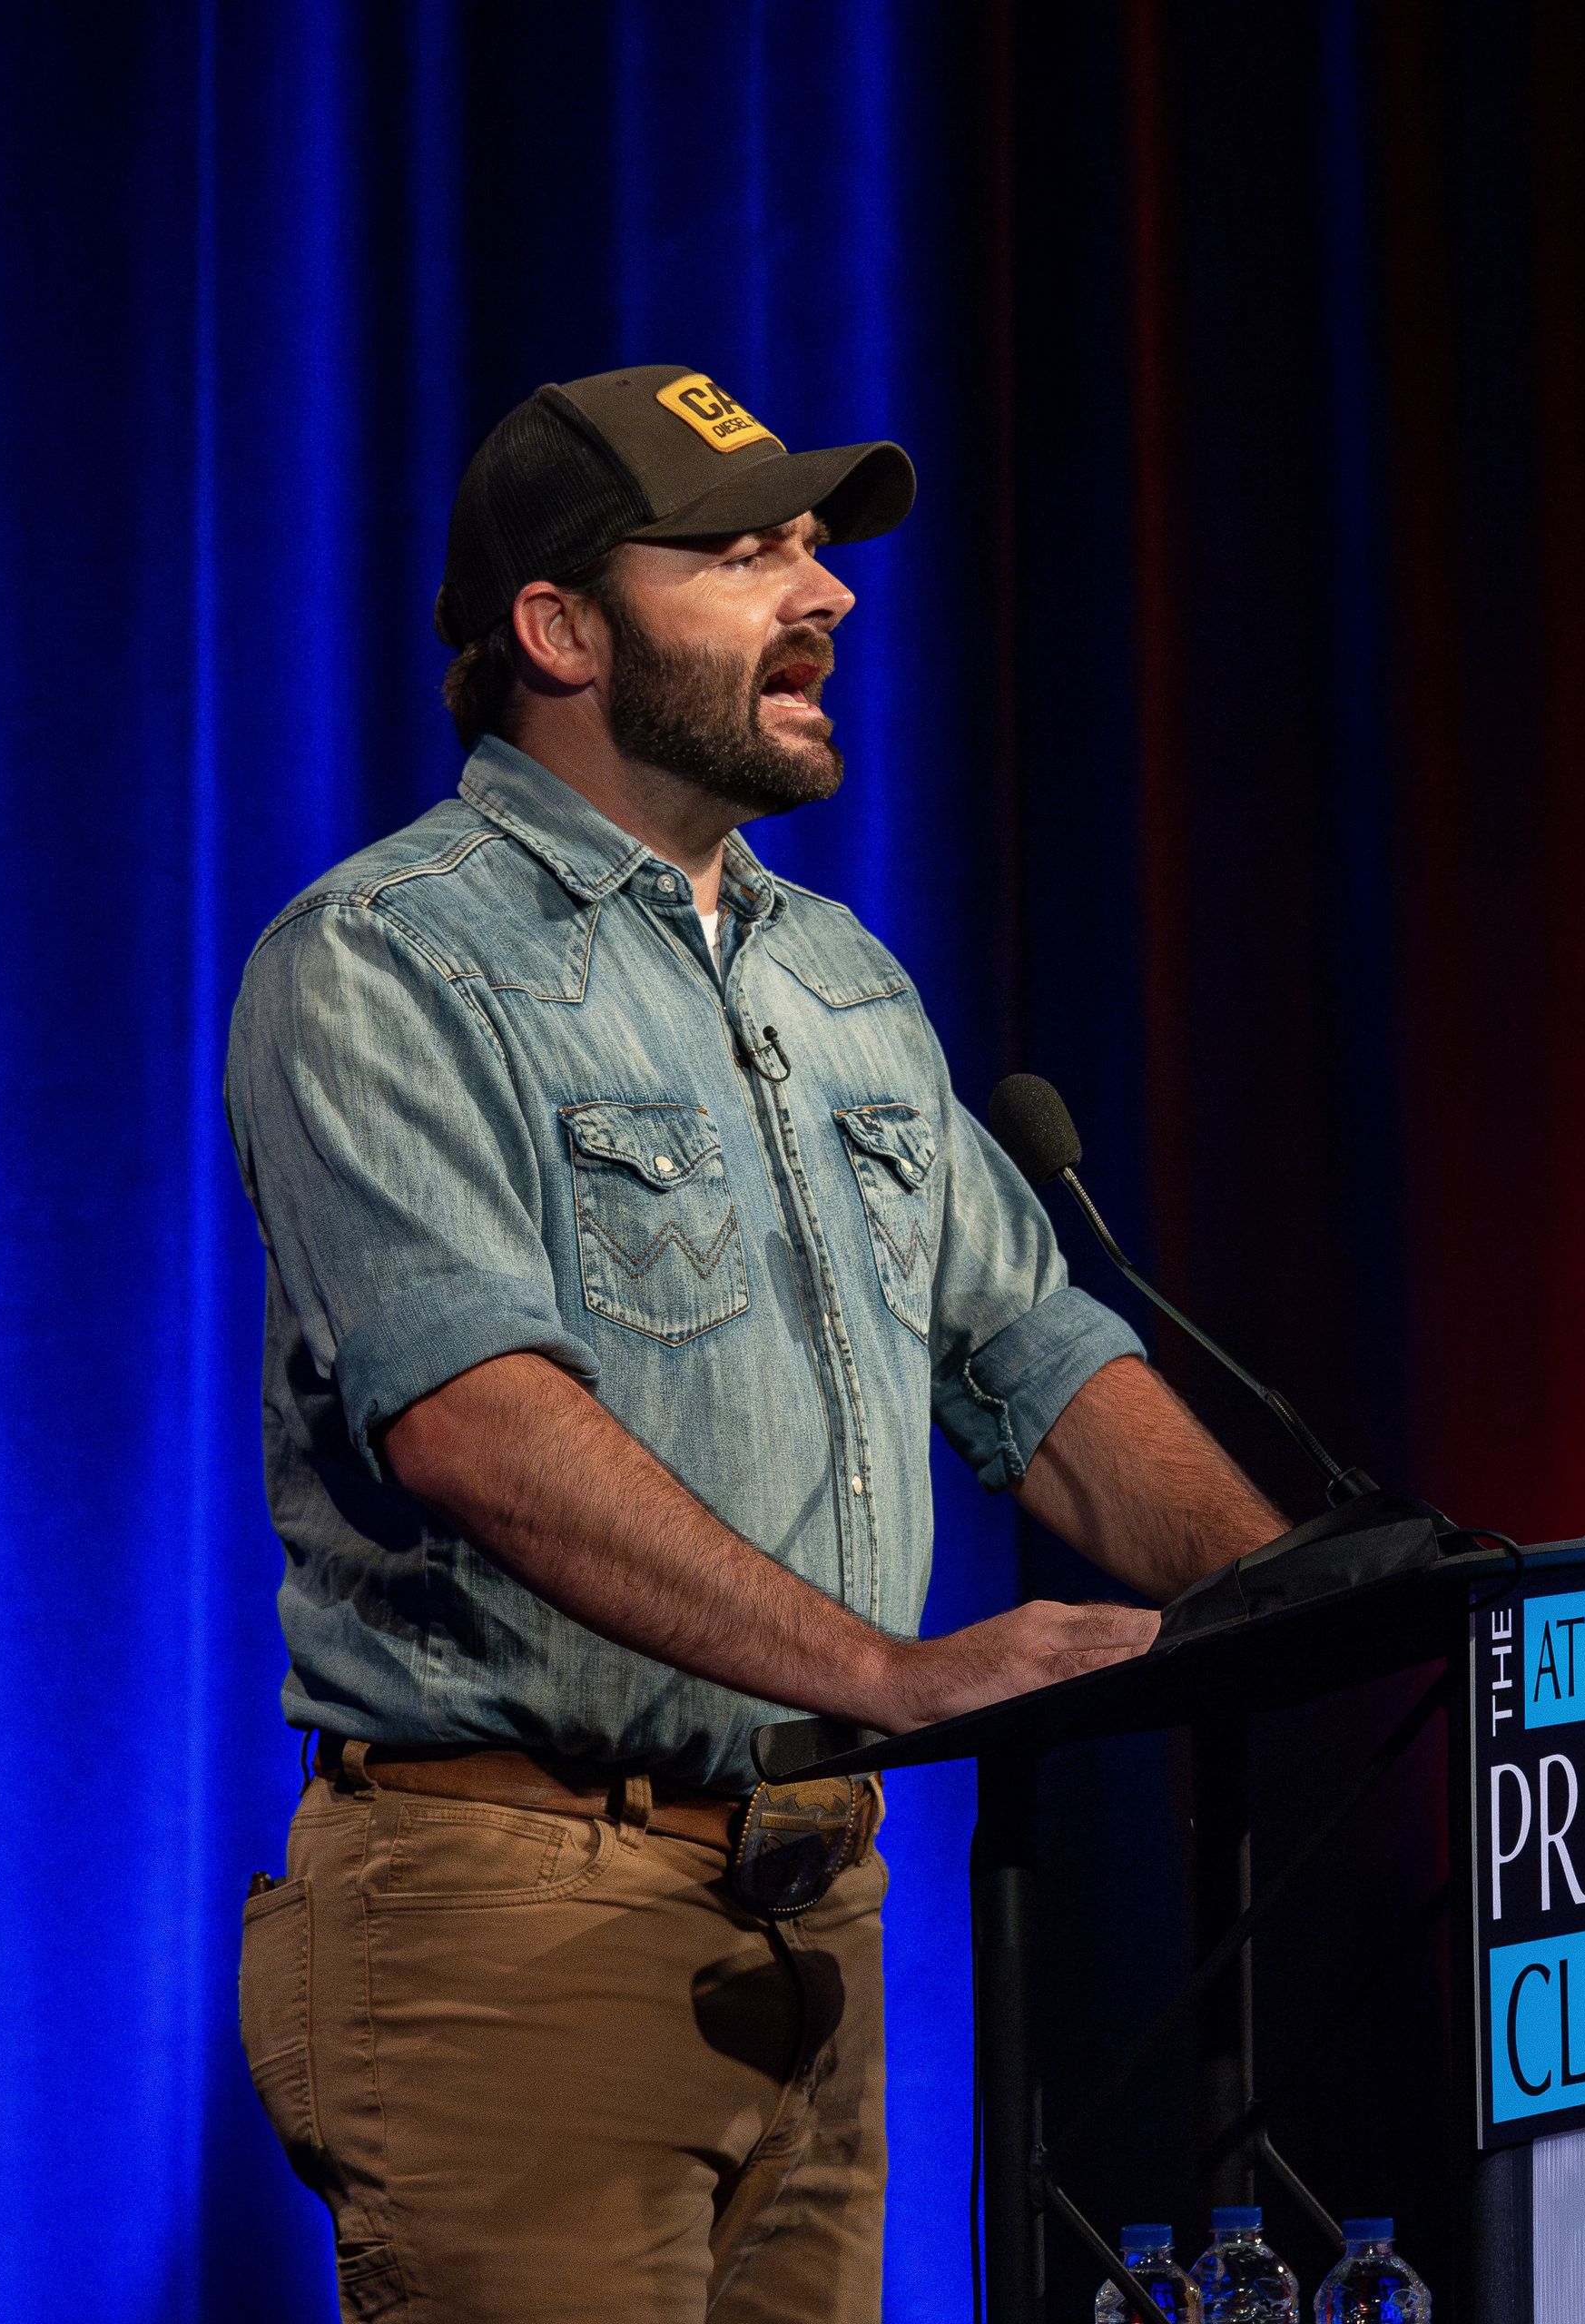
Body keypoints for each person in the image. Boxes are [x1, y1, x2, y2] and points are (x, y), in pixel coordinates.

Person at [226, 364, 1282, 2320]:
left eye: (813, 545)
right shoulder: (381, 958)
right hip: (518, 1915)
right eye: (739, 552)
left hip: (819, 1908)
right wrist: (891, 1669)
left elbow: (1029, 1351)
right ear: (559, 627)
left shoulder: (835, 972)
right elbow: (475, 1420)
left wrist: (1291, 1587)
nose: (830, 595)